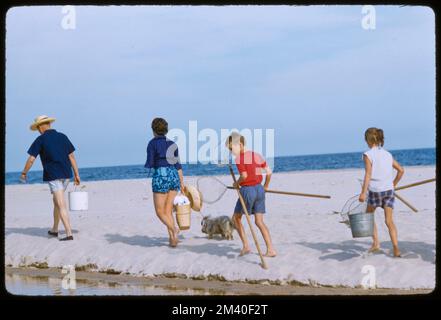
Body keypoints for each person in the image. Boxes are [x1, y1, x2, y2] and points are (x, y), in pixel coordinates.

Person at [21, 115, 81, 241]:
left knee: (60, 204)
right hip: (66, 174)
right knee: (56, 202)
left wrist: (24, 173)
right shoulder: (63, 136)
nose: (38, 130)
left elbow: (31, 159)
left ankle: (69, 233)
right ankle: (54, 229)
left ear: (40, 127)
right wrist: (76, 174)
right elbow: (72, 157)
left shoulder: (41, 139)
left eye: (38, 128)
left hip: (54, 175)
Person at [226, 132, 277, 257]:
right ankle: (271, 250)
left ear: (241, 144)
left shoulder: (239, 159)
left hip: (248, 190)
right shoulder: (257, 155)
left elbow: (244, 176)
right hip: (259, 190)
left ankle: (246, 246)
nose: (232, 152)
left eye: (232, 148)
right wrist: (265, 186)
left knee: (236, 218)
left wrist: (236, 184)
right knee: (259, 221)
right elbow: (269, 172)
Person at [359, 127, 404, 257]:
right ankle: (396, 248)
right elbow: (401, 170)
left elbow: (368, 175)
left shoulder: (368, 154)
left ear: (368, 140)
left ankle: (376, 243)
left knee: (368, 216)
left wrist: (363, 193)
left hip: (375, 192)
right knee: (389, 221)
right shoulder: (387, 154)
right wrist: (393, 185)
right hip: (388, 191)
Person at [145, 118, 185, 247]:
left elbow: (150, 163)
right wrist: (182, 183)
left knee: (159, 212)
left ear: (153, 130)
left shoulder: (152, 144)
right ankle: (173, 239)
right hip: (174, 175)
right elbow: (178, 165)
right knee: (168, 211)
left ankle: (174, 229)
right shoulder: (172, 144)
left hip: (161, 176)